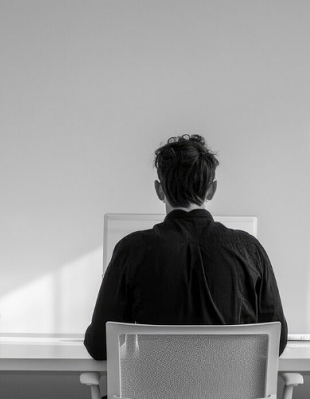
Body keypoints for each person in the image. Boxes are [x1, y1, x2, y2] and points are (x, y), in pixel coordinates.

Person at [84, 134, 287, 360]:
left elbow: (100, 346)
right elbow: (276, 342)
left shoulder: (131, 251)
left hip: (156, 383)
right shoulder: (250, 250)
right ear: (211, 190)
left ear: (159, 190)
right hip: (232, 383)